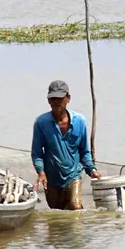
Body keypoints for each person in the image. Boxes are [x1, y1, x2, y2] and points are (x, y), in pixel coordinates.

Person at [30, 80, 101, 210]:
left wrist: (92, 170)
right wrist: (41, 172)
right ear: (48, 100)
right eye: (53, 98)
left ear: (68, 98)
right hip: (52, 180)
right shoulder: (41, 123)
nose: (56, 102)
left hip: (73, 176)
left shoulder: (79, 121)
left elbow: (84, 151)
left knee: (76, 206)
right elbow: (37, 153)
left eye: (60, 98)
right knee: (57, 218)